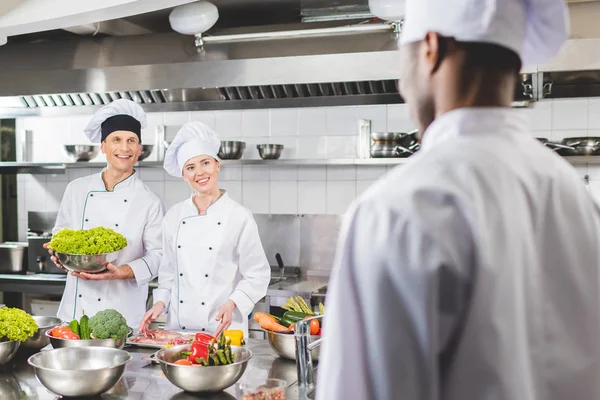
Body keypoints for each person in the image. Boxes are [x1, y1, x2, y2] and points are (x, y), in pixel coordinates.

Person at [317, 1, 600, 399]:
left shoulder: (399, 209)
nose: (402, 84)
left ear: (431, 48)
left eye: (403, 62)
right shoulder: (575, 196)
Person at [138, 121, 269, 338]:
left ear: (217, 165)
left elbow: (257, 274)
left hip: (223, 331)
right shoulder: (174, 216)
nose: (199, 172)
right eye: (190, 167)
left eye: (205, 163)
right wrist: (159, 304)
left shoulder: (239, 216)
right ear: (184, 175)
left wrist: (233, 302)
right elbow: (168, 273)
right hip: (179, 333)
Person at [47, 99, 164, 329]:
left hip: (122, 314)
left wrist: (121, 272)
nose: (125, 148)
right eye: (116, 140)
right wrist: (57, 253)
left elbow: (159, 256)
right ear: (103, 146)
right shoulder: (77, 189)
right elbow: (61, 234)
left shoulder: (149, 201)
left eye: (132, 140)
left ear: (140, 150)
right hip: (74, 312)